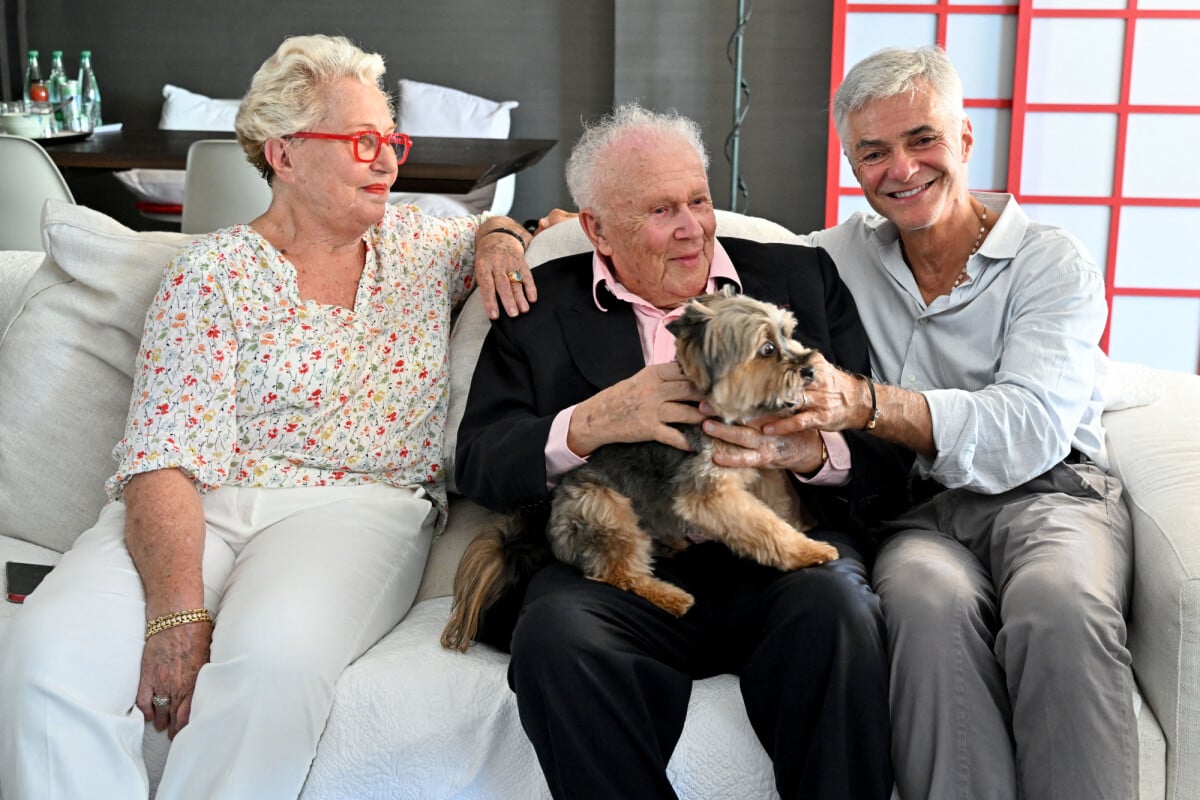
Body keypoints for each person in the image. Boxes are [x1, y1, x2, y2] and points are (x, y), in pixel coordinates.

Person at [0, 34, 535, 799]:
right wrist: (174, 617)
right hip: (199, 504)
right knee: (41, 663)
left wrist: (499, 236)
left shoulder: (420, 244)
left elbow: (533, 226)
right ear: (283, 153)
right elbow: (163, 457)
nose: (388, 160)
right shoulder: (210, 274)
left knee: (271, 669)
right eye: (363, 140)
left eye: (392, 140)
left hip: (358, 508)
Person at [705, 46, 1136, 799]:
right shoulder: (834, 257)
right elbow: (693, 241)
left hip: (1053, 493)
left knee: (1057, 605)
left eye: (922, 140)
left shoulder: (1050, 262)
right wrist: (519, 231)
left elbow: (1032, 425)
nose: (900, 169)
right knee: (921, 604)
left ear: (965, 139)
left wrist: (871, 403)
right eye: (873, 153)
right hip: (921, 515)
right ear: (853, 165)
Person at [454, 102, 913, 800]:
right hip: (625, 563)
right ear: (597, 228)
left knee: (839, 613)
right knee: (556, 634)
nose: (691, 227)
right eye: (660, 210)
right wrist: (589, 421)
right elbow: (482, 459)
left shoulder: (799, 278)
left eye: (698, 199)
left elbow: (884, 451)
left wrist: (811, 452)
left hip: (778, 558)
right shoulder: (541, 309)